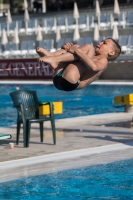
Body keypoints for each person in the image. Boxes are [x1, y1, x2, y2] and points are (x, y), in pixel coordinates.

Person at [36, 38, 121, 91]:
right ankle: (53, 56)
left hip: (70, 82)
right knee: (78, 47)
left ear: (111, 52)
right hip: (59, 77)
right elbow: (77, 52)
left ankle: (55, 59)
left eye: (104, 43)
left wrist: (76, 50)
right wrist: (66, 48)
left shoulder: (103, 60)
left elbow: (94, 67)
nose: (99, 42)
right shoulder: (91, 56)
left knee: (88, 48)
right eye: (101, 41)